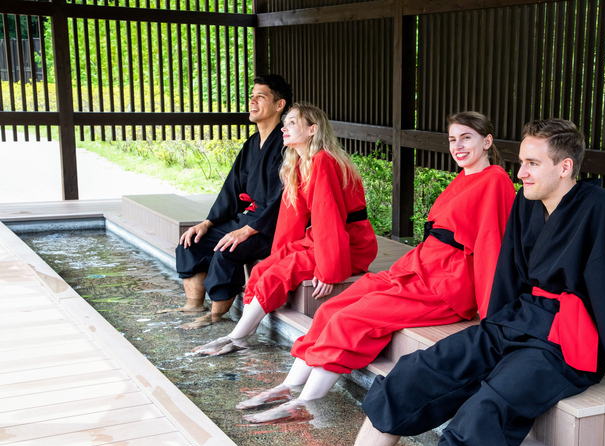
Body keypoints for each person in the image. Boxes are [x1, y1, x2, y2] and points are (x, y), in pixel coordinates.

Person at [283, 118, 605, 446]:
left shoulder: (604, 209)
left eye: (532, 163)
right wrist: (490, 328)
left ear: (564, 167)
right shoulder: (528, 202)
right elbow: (508, 272)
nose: (520, 172)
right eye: (521, 162)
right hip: (518, 319)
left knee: (485, 409)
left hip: (566, 337)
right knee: (418, 370)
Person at [236, 111, 517, 425]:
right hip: (419, 266)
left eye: (467, 138)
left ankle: (305, 402)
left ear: (487, 141)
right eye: (453, 139)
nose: (458, 146)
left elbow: (493, 245)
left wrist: (492, 315)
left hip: (446, 283)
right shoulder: (464, 177)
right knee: (332, 308)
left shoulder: (495, 181)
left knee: (352, 319)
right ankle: (289, 386)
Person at [193, 102, 378, 355]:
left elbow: (328, 217)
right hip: (321, 238)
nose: (284, 128)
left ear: (313, 129)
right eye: (285, 123)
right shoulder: (299, 163)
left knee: (276, 274)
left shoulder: (323, 160)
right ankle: (245, 333)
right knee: (262, 268)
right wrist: (280, 254)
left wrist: (328, 270)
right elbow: (291, 221)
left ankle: (236, 337)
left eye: (292, 122)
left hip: (349, 242)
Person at [162, 74, 293, 330]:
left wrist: (247, 229)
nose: (252, 101)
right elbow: (231, 190)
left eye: (261, 96)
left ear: (279, 105)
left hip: (271, 226)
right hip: (248, 219)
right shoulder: (252, 143)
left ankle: (215, 318)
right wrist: (207, 222)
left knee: (227, 249)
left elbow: (285, 199)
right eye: (251, 96)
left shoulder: (287, 145)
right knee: (191, 241)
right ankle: (193, 305)